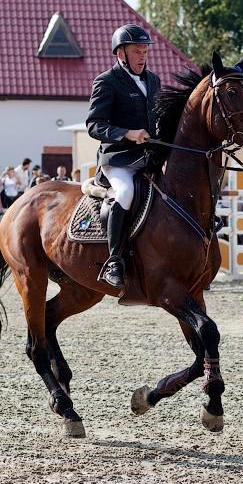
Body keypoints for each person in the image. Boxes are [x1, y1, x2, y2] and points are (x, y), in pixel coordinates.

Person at [85, 24, 160, 288]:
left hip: (149, 155)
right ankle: (114, 260)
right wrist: (127, 133)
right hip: (118, 158)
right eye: (137, 51)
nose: (143, 56)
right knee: (125, 192)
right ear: (121, 53)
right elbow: (94, 125)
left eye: (144, 51)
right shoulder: (106, 81)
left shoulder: (153, 80)